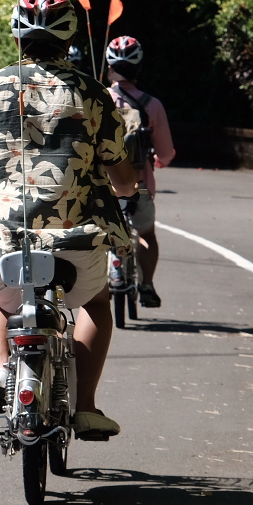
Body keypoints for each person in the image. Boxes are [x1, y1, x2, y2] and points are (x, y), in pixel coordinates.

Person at [0, 0, 140, 440]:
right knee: (95, 305)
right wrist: (128, 190)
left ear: (17, 35)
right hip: (79, 242)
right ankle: (86, 406)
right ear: (69, 35)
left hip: (8, 239)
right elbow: (119, 170)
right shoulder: (92, 92)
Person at [104, 35, 178, 308]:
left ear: (110, 67)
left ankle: (111, 268)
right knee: (146, 235)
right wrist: (159, 161)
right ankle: (146, 285)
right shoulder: (152, 105)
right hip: (140, 184)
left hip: (103, 185)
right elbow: (166, 152)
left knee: (97, 234)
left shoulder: (98, 100)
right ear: (139, 68)